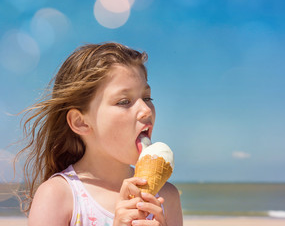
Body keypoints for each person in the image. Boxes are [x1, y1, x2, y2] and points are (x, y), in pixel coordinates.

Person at [16, 42, 183, 226]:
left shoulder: (167, 197)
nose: (146, 110)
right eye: (124, 101)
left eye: (147, 98)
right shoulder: (58, 195)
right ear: (81, 122)